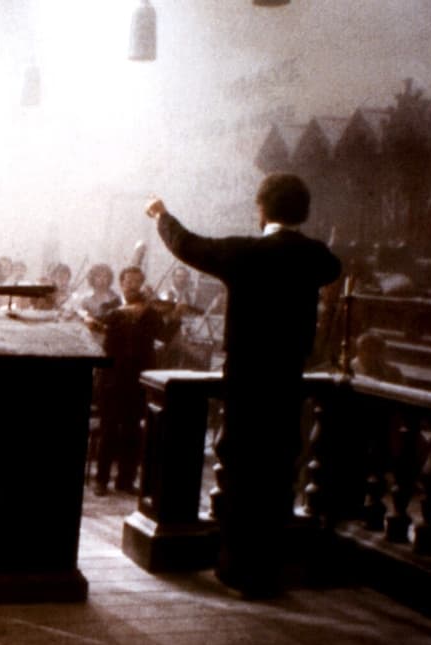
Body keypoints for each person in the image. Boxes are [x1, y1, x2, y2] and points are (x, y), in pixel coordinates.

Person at [146, 172, 341, 598]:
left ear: (261, 209)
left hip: (246, 379)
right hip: (288, 379)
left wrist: (162, 215)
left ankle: (237, 568)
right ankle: (268, 569)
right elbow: (333, 266)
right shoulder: (316, 257)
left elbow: (187, 245)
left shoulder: (245, 253)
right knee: (276, 472)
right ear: (302, 211)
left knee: (239, 471)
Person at [91, 266, 170, 496]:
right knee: (109, 429)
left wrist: (172, 317)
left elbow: (163, 336)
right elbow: (100, 321)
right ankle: (101, 480)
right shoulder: (111, 307)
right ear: (122, 283)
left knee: (133, 430)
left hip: (139, 377)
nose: (133, 285)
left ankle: (125, 480)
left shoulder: (151, 312)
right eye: (128, 281)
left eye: (137, 281)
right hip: (112, 377)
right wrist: (130, 309)